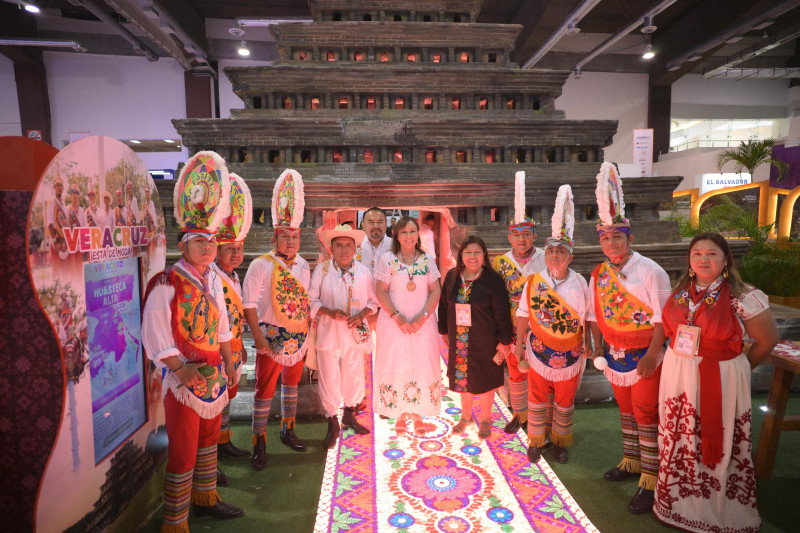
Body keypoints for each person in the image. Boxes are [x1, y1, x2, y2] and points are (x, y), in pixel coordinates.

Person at [142, 151, 243, 531]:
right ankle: (175, 519)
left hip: (213, 374)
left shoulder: (213, 279)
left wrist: (229, 361)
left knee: (208, 441)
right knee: (184, 448)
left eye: (211, 241)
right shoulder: (168, 282)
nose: (208, 247)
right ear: (183, 246)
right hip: (184, 378)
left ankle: (206, 498)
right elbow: (154, 331)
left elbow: (222, 327)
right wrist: (179, 368)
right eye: (199, 241)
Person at [654, 233, 778, 532]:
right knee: (681, 432)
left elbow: (767, 340)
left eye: (711, 253)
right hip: (677, 370)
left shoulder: (742, 295)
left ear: (725, 260)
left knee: (717, 435)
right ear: (689, 259)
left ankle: (718, 509)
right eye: (697, 253)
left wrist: (739, 370)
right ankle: (678, 504)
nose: (703, 259)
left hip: (720, 374)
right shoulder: (681, 291)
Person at [589, 162, 671, 515]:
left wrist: (652, 354)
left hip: (646, 355)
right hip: (615, 356)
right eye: (605, 238)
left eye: (617, 237)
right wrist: (597, 346)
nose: (611, 243)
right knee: (625, 409)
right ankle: (632, 461)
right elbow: (594, 315)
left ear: (630, 239)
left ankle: (651, 479)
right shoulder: (598, 273)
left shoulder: (651, 271)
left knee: (645, 411)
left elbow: (663, 318)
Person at [515, 185, 593, 464]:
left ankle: (560, 441)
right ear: (545, 254)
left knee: (564, 398)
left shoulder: (580, 282)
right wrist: (518, 345)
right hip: (538, 350)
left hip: (570, 352)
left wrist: (588, 344)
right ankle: (537, 440)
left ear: (571, 256)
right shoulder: (535, 281)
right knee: (537, 396)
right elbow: (523, 314)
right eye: (550, 252)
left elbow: (587, 317)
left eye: (561, 252)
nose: (555, 256)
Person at [242, 168, 311, 470]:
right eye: (285, 236)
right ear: (275, 238)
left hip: (298, 336)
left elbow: (305, 301)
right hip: (270, 336)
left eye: (295, 237)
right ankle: (259, 440)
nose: (291, 241)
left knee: (291, 384)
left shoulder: (304, 265)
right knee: (264, 388)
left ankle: (288, 428)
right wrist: (257, 337)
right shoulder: (261, 264)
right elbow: (247, 304)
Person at [309, 224, 378, 448]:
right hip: (328, 332)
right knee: (329, 376)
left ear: (355, 249)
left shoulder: (363, 272)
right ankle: (332, 421)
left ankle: (349, 414)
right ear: (331, 249)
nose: (344, 250)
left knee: (354, 373)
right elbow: (311, 300)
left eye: (349, 245)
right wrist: (328, 311)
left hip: (354, 333)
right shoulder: (322, 271)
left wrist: (362, 315)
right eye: (339, 245)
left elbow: (373, 301)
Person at [373, 216, 442, 437]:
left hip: (423, 323)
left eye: (412, 231)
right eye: (404, 232)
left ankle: (418, 413)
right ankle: (400, 413)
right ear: (396, 235)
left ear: (418, 235)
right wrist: (397, 317)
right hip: (393, 324)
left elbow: (436, 290)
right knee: (397, 364)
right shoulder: (387, 259)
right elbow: (380, 290)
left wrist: (423, 317)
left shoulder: (426, 259)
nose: (409, 236)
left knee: (421, 364)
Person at [439, 236, 513, 440]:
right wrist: (444, 331)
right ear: (461, 255)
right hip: (459, 340)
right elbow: (444, 306)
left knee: (486, 379)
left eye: (477, 252)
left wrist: (504, 340)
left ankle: (486, 419)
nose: (473, 256)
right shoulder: (453, 276)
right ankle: (466, 417)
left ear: (484, 255)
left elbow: (502, 312)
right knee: (462, 380)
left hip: (485, 339)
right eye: (468, 252)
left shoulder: (492, 280)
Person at [492, 171, 546, 435]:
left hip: (543, 327)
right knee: (515, 373)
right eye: (516, 234)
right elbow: (496, 299)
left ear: (534, 235)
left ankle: (541, 423)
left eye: (527, 233)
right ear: (509, 237)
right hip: (513, 329)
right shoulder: (501, 262)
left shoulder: (547, 258)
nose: (521, 239)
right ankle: (519, 414)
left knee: (542, 377)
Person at [212, 174, 254, 477]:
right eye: (230, 248)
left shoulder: (234, 276)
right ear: (217, 250)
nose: (236, 253)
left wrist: (240, 349)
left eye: (239, 248)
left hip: (234, 348)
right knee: (214, 404)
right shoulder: (211, 277)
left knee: (227, 398)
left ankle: (223, 441)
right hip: (216, 352)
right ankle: (210, 456)